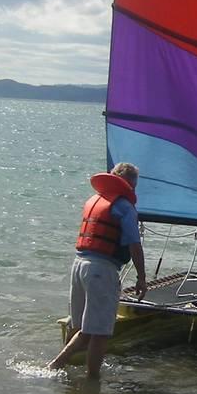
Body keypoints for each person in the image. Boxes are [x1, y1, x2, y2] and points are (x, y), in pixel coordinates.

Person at [48, 162, 147, 379]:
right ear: (130, 185)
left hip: (79, 265)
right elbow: (134, 245)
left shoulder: (94, 200)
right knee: (98, 331)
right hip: (101, 270)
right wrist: (142, 277)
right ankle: (87, 379)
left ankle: (66, 375)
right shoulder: (124, 207)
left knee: (78, 326)